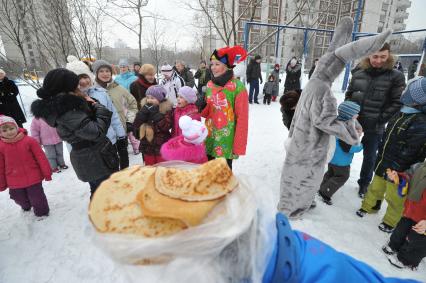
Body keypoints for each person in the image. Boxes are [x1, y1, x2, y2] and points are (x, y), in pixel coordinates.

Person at [278, 17, 390, 218]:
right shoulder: (324, 90)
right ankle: (293, 211)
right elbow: (325, 121)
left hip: (299, 142)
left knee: (295, 175)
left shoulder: (313, 83)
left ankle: (293, 204)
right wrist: (350, 129)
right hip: (311, 145)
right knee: (307, 177)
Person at [31, 68, 118, 197]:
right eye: (74, 83)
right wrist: (99, 108)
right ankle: (104, 215)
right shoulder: (67, 110)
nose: (78, 85)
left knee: (101, 191)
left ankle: (103, 213)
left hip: (91, 156)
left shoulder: (67, 105)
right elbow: (96, 132)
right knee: (104, 194)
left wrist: (91, 104)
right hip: (94, 158)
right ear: (65, 87)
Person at [356, 77, 426, 233]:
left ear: (416, 100)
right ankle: (370, 206)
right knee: (375, 187)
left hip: (398, 170)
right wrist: (381, 153)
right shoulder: (401, 112)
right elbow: (388, 135)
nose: (404, 92)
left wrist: (397, 168)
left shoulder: (421, 121)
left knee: (395, 198)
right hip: (383, 161)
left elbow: (412, 149)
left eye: (408, 91)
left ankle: (390, 220)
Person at [345, 42, 406, 198]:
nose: (379, 60)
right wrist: (349, 112)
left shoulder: (396, 76)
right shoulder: (358, 72)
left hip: (376, 125)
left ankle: (364, 184)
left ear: (389, 56)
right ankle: (336, 176)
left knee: (370, 157)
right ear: (369, 55)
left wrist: (380, 119)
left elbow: (397, 102)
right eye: (375, 56)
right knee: (344, 150)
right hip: (355, 121)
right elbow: (349, 94)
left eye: (383, 57)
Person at [67, 57, 127, 161]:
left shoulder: (101, 93)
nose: (84, 81)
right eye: (79, 78)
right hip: (88, 150)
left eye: (86, 77)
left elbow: (113, 116)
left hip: (109, 141)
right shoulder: (69, 101)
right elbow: (69, 132)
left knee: (114, 173)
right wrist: (74, 151)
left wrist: (121, 135)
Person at [202, 46, 249, 170]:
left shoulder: (238, 87)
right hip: (210, 135)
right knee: (208, 170)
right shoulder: (210, 85)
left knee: (225, 173)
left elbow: (242, 118)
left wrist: (238, 144)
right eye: (212, 64)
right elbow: (207, 112)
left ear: (227, 66)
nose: (213, 68)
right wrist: (201, 106)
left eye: (217, 64)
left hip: (227, 138)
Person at [0, 116, 51, 217]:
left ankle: (42, 213)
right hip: (13, 179)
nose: (9, 132)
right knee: (18, 198)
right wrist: (1, 183)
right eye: (4, 130)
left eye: (11, 128)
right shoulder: (1, 146)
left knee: (37, 197)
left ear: (17, 127)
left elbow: (41, 157)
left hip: (33, 176)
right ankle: (26, 205)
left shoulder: (29, 141)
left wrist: (47, 172)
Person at [92, 59, 138, 170]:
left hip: (121, 133)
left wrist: (129, 121)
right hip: (103, 137)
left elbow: (133, 105)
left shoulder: (119, 89)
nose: (105, 74)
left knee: (124, 165)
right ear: (96, 73)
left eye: (107, 71)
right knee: (109, 167)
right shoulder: (92, 91)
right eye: (101, 71)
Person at [382, 162, 426, 270]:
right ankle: (394, 246)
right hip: (411, 210)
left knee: (417, 241)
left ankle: (407, 260)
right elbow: (408, 177)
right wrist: (398, 178)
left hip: (424, 221)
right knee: (401, 230)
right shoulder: (419, 166)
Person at [318, 101, 363, 205]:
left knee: (331, 173)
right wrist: (361, 146)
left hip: (332, 157)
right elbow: (350, 147)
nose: (358, 115)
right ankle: (325, 192)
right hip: (342, 162)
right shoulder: (346, 131)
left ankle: (322, 187)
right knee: (342, 177)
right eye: (356, 114)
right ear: (349, 115)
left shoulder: (338, 123)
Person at [133, 85, 173, 165]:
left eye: (153, 98)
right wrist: (141, 115)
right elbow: (136, 127)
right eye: (148, 97)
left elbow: (166, 126)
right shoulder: (145, 109)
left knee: (162, 167)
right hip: (147, 145)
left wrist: (156, 114)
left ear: (160, 99)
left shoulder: (166, 110)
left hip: (161, 145)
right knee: (149, 168)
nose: (149, 100)